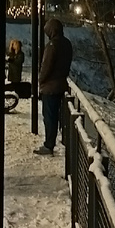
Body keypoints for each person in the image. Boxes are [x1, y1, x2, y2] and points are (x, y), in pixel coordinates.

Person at [35, 18, 73, 155]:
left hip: (50, 87)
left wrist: (40, 80)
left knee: (49, 116)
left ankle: (49, 144)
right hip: (61, 84)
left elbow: (46, 66)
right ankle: (52, 142)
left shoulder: (52, 45)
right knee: (55, 115)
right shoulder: (67, 44)